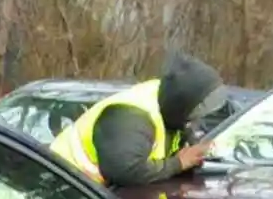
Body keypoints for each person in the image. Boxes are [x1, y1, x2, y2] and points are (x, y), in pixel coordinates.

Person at [48, 53, 228, 188]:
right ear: (182, 103)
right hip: (62, 188)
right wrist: (179, 163)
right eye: (195, 110)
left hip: (92, 194)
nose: (196, 118)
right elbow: (124, 170)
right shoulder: (131, 116)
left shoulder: (169, 111)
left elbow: (176, 144)